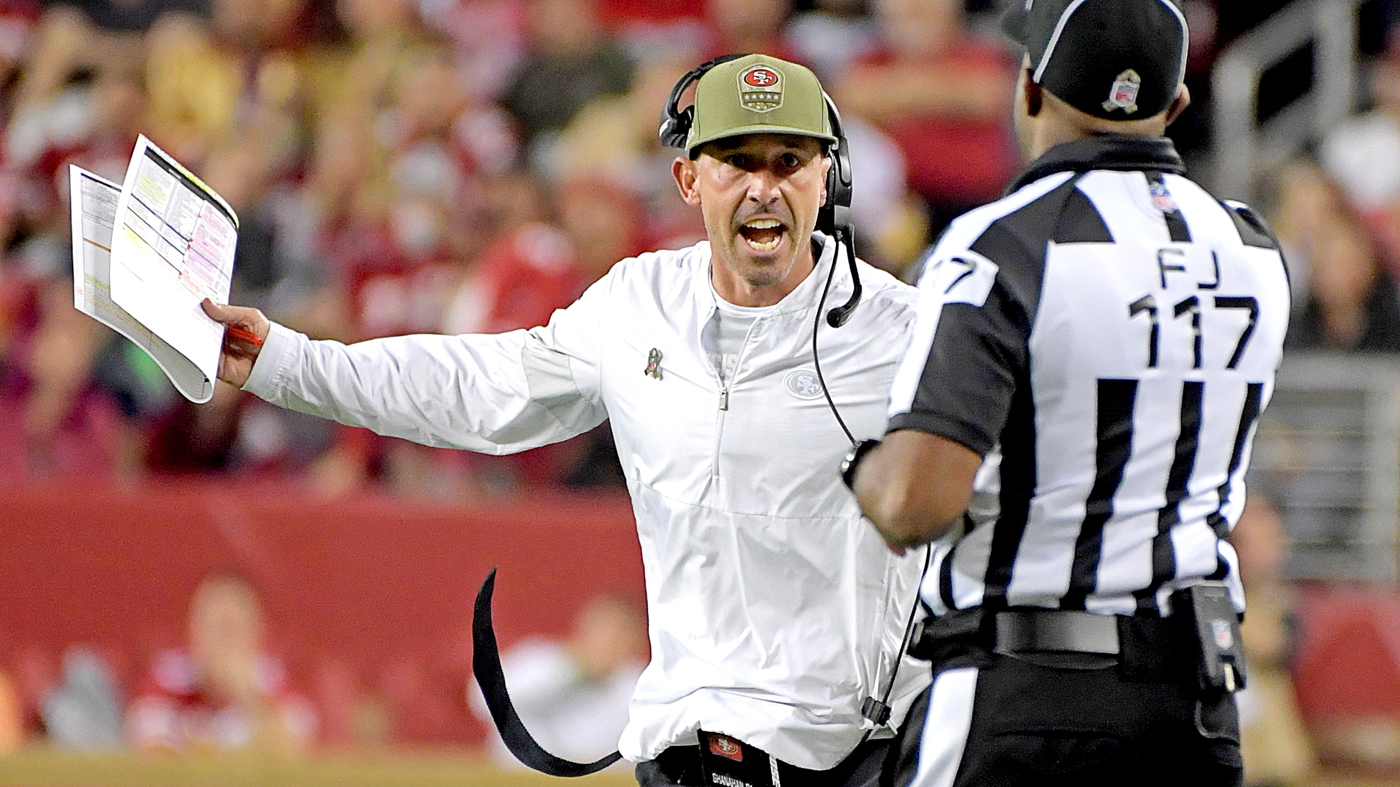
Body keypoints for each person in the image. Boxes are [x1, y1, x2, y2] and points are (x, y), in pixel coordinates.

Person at [202, 54, 929, 786]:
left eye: (789, 161)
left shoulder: (904, 333)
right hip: (693, 753)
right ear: (688, 179)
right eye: (736, 162)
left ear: (828, 177)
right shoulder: (637, 304)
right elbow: (477, 386)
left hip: (857, 758)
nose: (763, 187)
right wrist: (284, 362)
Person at [845, 1, 1291, 785]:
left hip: (1026, 692)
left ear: (1029, 89)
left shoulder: (1001, 243)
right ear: (1176, 107)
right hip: (1193, 701)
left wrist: (865, 469)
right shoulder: (1254, 248)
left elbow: (916, 501)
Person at [124, 572, 317, 753]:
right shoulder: (169, 679)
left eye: (232, 628)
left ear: (257, 633)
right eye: (215, 627)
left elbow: (292, 751)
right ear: (193, 630)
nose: (224, 643)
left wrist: (248, 697)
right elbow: (148, 750)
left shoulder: (274, 682)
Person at [468, 594, 648, 770]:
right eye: (602, 629)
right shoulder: (539, 659)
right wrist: (574, 669)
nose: (609, 641)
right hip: (518, 779)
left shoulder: (642, 687)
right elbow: (481, 701)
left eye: (621, 632)